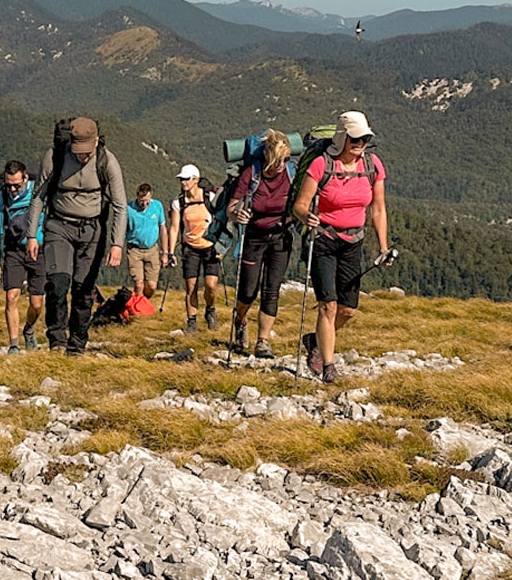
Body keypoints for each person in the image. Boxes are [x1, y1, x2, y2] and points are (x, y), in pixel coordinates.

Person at [291, 111, 391, 384]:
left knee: (348, 310)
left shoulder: (372, 166)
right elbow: (300, 204)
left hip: (353, 243)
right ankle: (328, 364)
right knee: (329, 306)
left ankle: (316, 340)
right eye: (356, 138)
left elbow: (378, 209)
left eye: (365, 138)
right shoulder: (321, 165)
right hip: (323, 240)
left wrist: (383, 247)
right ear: (342, 138)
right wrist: (305, 217)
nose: (361, 143)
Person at [27, 117, 126, 355]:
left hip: (93, 230)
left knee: (84, 289)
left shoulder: (107, 162)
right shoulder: (55, 157)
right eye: (78, 152)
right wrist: (32, 235)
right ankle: (57, 340)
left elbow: (120, 206)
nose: (83, 157)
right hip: (59, 226)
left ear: (96, 142)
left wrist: (117, 244)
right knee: (57, 284)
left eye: (87, 152)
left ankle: (77, 344)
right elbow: (38, 197)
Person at [229, 129, 295, 358]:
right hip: (254, 237)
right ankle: (240, 319)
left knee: (272, 290)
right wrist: (238, 214)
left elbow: (300, 202)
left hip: (281, 237)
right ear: (268, 157)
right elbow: (232, 207)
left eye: (286, 159)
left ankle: (263, 341)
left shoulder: (291, 173)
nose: (283, 164)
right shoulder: (251, 174)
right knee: (248, 291)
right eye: (280, 160)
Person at [0, 160, 45, 353]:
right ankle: (13, 345)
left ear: (26, 178)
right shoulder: (1, 198)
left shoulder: (38, 193)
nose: (12, 189)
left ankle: (29, 329)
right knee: (11, 297)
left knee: (36, 303)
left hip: (39, 250)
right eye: (9, 185)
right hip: (13, 250)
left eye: (16, 185)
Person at [167, 163, 222, 333]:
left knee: (211, 285)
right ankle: (192, 321)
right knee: (191, 286)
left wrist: (222, 247)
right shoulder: (179, 202)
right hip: (190, 248)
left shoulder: (210, 197)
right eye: (181, 179)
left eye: (186, 179)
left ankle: (210, 310)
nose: (183, 182)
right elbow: (175, 227)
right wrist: (169, 252)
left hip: (210, 247)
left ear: (196, 180)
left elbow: (221, 221)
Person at [125, 183, 166, 300]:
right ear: (137, 197)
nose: (144, 204)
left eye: (147, 200)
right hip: (134, 250)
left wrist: (165, 252)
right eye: (142, 200)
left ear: (151, 196)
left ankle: (144, 302)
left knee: (151, 285)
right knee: (138, 284)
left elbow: (163, 228)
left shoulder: (157, 206)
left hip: (152, 249)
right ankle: (138, 309)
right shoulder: (129, 209)